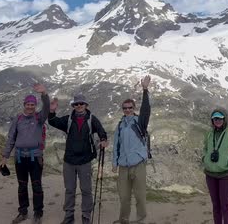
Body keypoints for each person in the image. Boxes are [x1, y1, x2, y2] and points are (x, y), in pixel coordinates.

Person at [46, 89, 108, 224]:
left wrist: (103, 139)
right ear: (73, 106)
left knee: (86, 190)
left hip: (85, 161)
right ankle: (69, 216)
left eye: (81, 104)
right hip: (69, 161)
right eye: (76, 104)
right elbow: (52, 121)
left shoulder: (92, 119)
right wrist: (51, 111)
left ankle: (86, 217)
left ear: (86, 105)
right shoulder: (68, 119)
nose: (79, 106)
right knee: (69, 190)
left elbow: (102, 131)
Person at [0, 84, 50, 224]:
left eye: (32, 104)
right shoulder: (18, 119)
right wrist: (5, 156)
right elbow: (11, 138)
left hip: (35, 157)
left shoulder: (39, 118)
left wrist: (44, 94)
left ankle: (38, 213)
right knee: (22, 185)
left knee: (36, 185)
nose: (30, 107)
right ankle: (23, 212)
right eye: (28, 104)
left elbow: (46, 107)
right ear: (24, 105)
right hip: (20, 158)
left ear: (35, 105)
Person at [112, 75, 151, 224]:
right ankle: (124, 220)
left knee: (140, 196)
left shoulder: (139, 122)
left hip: (138, 163)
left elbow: (146, 111)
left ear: (134, 108)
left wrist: (145, 90)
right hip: (123, 165)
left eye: (130, 108)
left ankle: (141, 219)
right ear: (122, 109)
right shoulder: (120, 125)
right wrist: (114, 163)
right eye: (125, 108)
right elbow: (116, 145)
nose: (127, 110)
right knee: (124, 197)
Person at [202, 110, 228, 224]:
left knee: (225, 206)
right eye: (215, 119)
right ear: (212, 120)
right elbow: (205, 148)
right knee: (215, 206)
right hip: (210, 175)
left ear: (224, 119)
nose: (218, 121)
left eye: (220, 118)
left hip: (226, 176)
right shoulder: (209, 134)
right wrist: (205, 158)